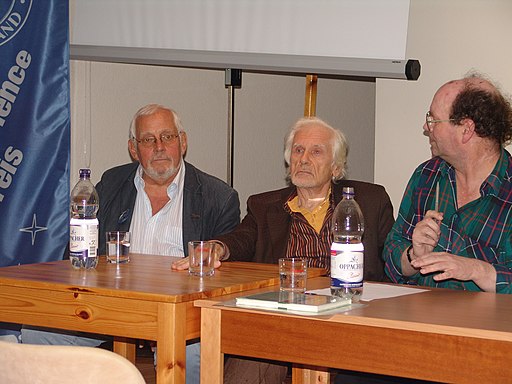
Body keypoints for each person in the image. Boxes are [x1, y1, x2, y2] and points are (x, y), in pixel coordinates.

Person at [21, 104, 241, 384]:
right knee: (37, 333)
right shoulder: (111, 184)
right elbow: (77, 253)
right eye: (148, 140)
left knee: (194, 349)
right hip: (114, 307)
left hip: (183, 313)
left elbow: (227, 276)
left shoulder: (217, 197)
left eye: (168, 137)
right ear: (134, 149)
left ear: (183, 142)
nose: (159, 147)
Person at [173, 116, 395, 383]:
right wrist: (218, 248)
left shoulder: (368, 201)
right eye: (298, 150)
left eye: (316, 151)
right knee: (255, 351)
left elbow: (392, 257)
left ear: (336, 168)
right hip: (281, 319)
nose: (303, 159)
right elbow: (242, 238)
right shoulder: (265, 206)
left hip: (347, 317)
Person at [384, 72, 512, 293]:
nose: (426, 127)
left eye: (433, 120)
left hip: (487, 326)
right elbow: (391, 254)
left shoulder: (507, 190)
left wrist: (476, 270)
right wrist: (414, 255)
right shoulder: (426, 176)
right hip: (422, 319)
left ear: (466, 129)